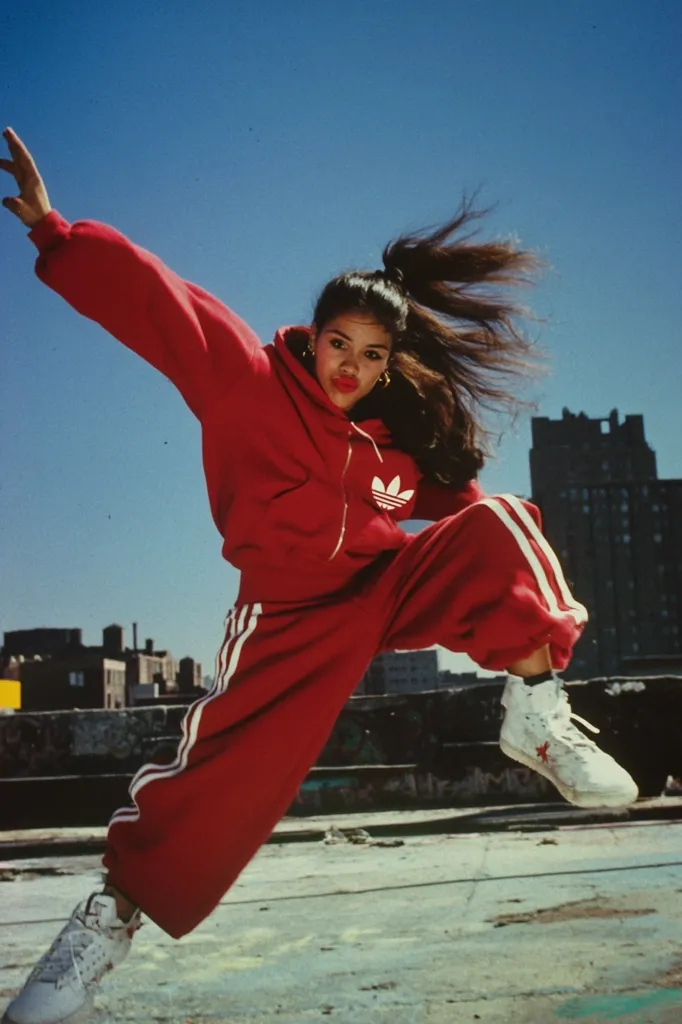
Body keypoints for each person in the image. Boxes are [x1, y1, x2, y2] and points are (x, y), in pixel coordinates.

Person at [1, 126, 638, 1024]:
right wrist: (56, 234)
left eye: (372, 356)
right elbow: (160, 302)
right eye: (339, 344)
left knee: (502, 521)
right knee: (227, 781)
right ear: (316, 335)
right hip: (290, 614)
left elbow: (479, 542)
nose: (350, 368)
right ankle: (103, 927)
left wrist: (516, 616)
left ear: (390, 362)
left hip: (381, 590)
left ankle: (536, 718)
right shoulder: (249, 381)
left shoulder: (393, 440)